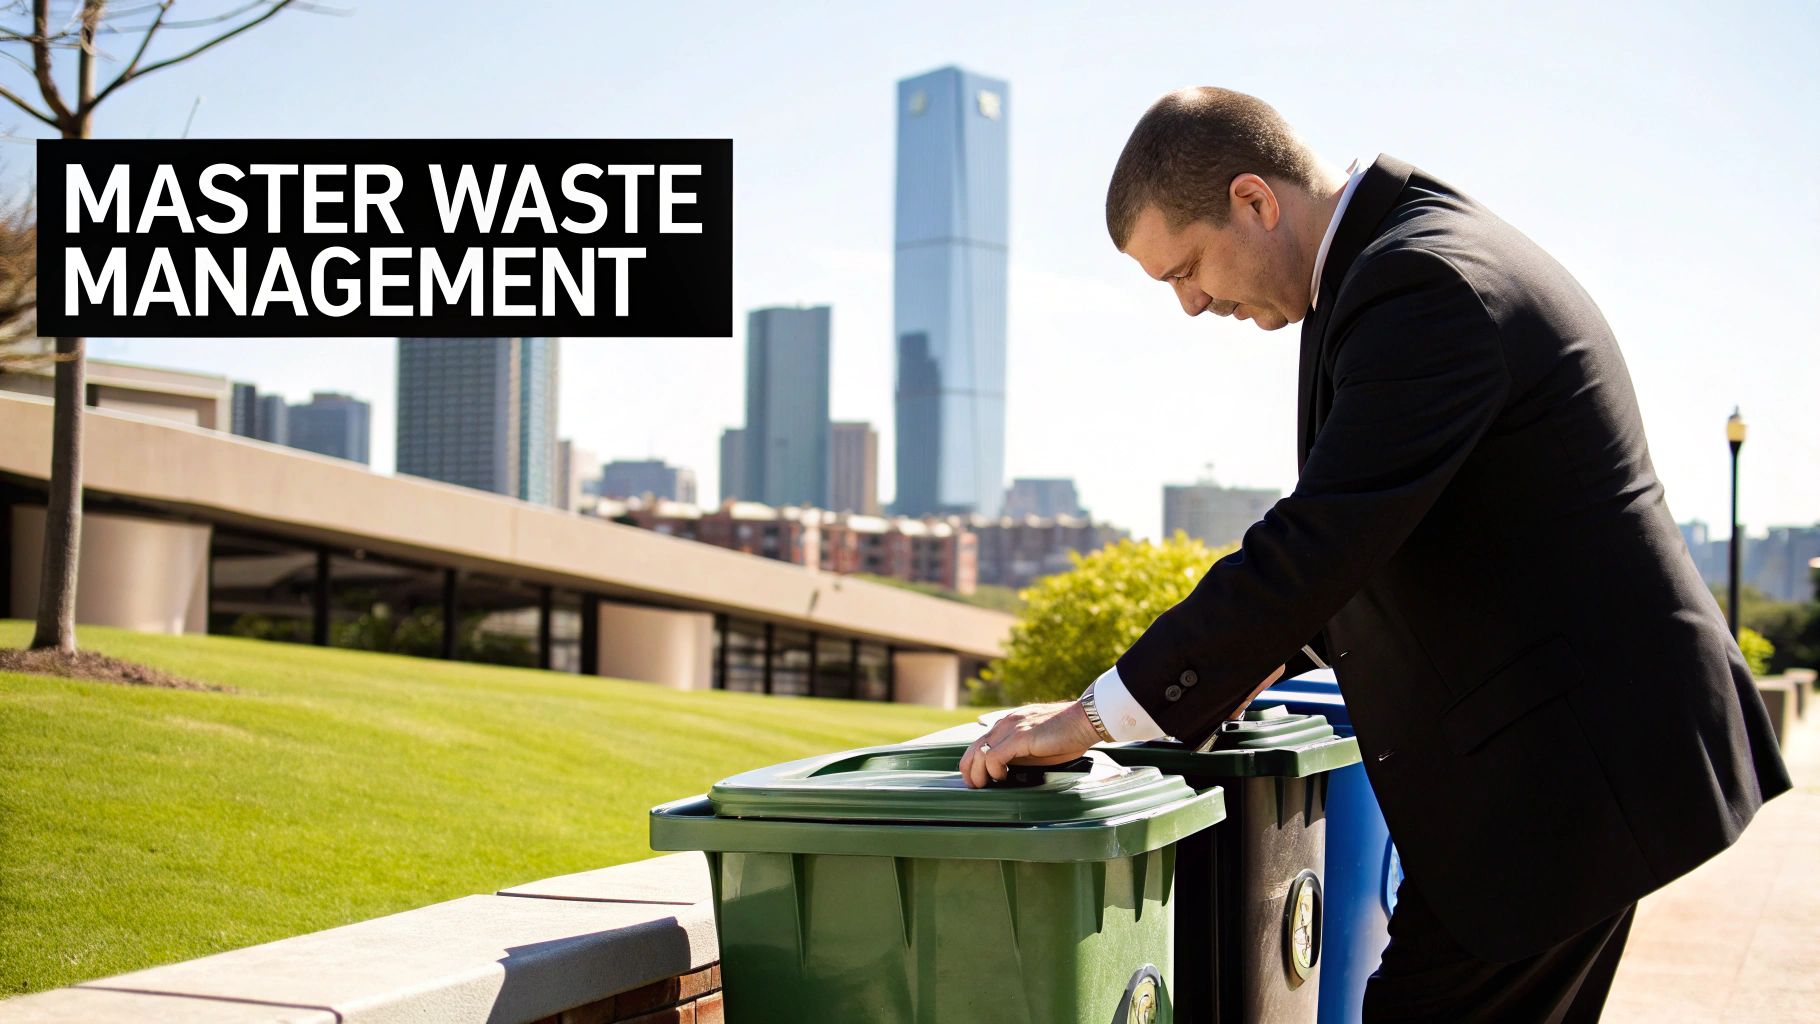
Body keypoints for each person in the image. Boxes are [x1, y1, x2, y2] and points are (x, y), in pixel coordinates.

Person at [957, 87, 1791, 1022]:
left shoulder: (1421, 282)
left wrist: (1097, 715)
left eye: (1185, 269)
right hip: (1564, 773)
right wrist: (1226, 680)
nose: (1190, 306)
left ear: (1255, 200)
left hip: (1565, 782)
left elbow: (1318, 544)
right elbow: (1382, 553)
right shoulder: (1392, 265)